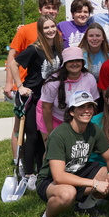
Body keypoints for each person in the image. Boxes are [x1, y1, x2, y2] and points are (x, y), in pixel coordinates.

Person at [35, 90, 109, 217]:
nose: (86, 111)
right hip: (50, 180)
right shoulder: (59, 134)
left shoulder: (93, 129)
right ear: (71, 112)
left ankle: (86, 206)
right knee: (67, 193)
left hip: (79, 171)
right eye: (81, 107)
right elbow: (59, 177)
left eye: (90, 107)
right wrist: (95, 183)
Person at [3, 0, 61, 163]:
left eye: (54, 8)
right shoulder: (25, 30)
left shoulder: (57, 31)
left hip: (48, 91)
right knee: (23, 128)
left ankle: (38, 164)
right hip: (27, 88)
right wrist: (11, 83)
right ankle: (18, 161)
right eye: (47, 8)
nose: (51, 11)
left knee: (42, 130)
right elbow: (12, 56)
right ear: (39, 10)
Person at [8, 15, 63, 189]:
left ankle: (40, 171)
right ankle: (29, 174)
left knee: (43, 136)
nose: (50, 30)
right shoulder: (34, 49)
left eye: (52, 26)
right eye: (46, 28)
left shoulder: (58, 47)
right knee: (31, 136)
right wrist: (20, 86)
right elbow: (13, 64)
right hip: (32, 96)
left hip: (50, 99)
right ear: (41, 30)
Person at [38, 47, 100, 143]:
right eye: (71, 61)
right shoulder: (53, 81)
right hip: (52, 117)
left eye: (78, 60)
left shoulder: (89, 78)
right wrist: (51, 133)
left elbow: (94, 103)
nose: (75, 63)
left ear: (82, 63)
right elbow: (46, 107)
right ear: (65, 63)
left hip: (77, 119)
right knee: (53, 149)